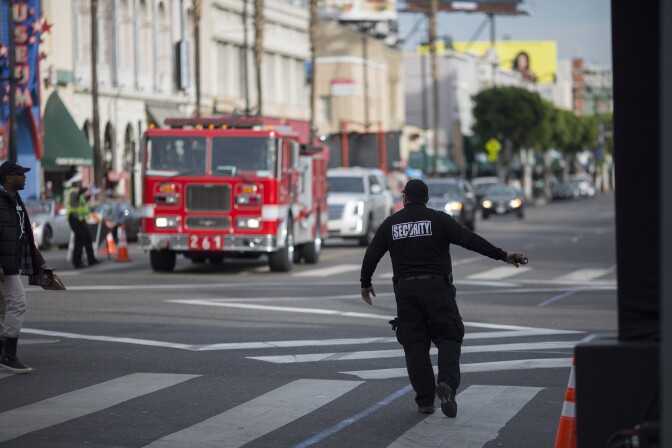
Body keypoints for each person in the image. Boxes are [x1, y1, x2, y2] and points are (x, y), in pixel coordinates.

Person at [359, 179, 525, 417]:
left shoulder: (391, 223)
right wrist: (503, 255)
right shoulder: (438, 219)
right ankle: (446, 383)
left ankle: (425, 401)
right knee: (449, 336)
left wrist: (365, 283)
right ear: (426, 199)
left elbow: (372, 254)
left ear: (405, 198)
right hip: (437, 288)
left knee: (415, 345)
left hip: (406, 292)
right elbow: (470, 240)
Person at [0, 161, 50, 373]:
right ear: (9, 177)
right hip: (4, 265)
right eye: (21, 174)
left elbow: (25, 235)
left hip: (12, 262)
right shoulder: (1, 201)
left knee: (3, 309)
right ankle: (8, 355)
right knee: (18, 302)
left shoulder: (15, 200)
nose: (25, 177)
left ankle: (4, 352)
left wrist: (39, 262)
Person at [64, 174, 99, 268]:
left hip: (80, 219)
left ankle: (91, 259)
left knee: (87, 238)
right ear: (75, 183)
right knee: (79, 239)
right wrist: (87, 188)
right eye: (79, 183)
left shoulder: (76, 192)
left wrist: (91, 194)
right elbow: (79, 194)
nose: (80, 184)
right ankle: (77, 262)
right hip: (74, 218)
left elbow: (82, 200)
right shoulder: (72, 192)